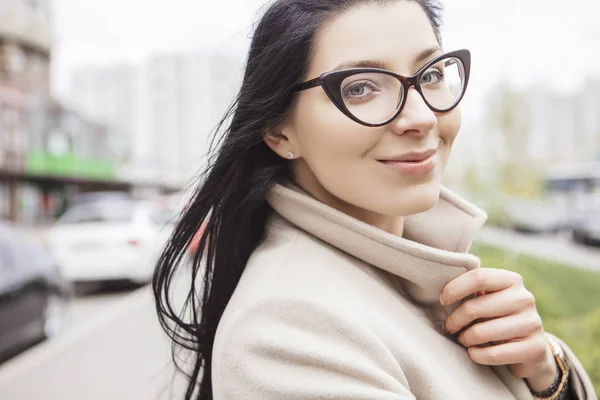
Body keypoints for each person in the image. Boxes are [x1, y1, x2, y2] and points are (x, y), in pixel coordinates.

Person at [153, 1, 597, 399]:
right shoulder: (285, 333)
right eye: (361, 88)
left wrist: (546, 369)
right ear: (279, 131)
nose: (421, 117)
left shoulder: (416, 271)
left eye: (431, 75)